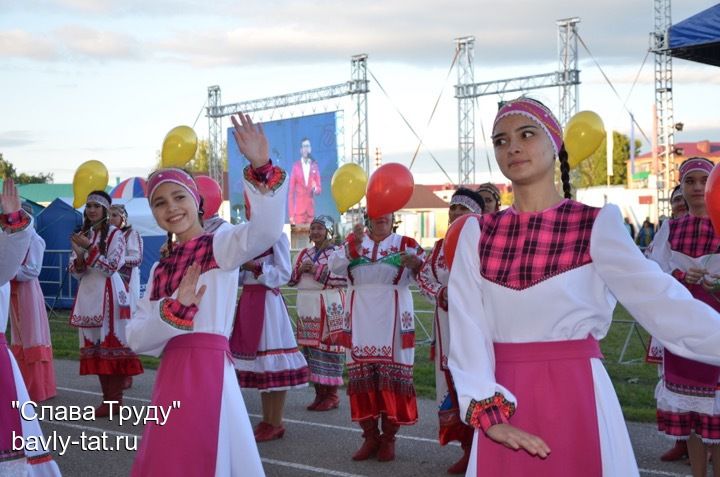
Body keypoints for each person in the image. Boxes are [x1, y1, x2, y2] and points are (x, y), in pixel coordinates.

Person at [446, 97, 720, 476]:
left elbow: (663, 303)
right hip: (503, 397)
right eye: (501, 141)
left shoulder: (597, 224)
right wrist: (490, 414)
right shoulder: (477, 232)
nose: (513, 147)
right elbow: (466, 328)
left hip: (579, 395)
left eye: (526, 134)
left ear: (555, 143)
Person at [125, 113, 286, 476]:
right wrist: (175, 309)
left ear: (197, 200)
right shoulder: (160, 268)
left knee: (209, 456)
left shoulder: (222, 244)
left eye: (178, 197)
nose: (171, 209)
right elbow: (136, 337)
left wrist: (261, 166)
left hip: (209, 371)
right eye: (160, 203)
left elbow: (265, 230)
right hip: (171, 374)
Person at [328, 212, 426, 462]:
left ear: (393, 217)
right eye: (376, 213)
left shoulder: (406, 244)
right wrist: (354, 243)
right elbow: (333, 266)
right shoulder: (354, 241)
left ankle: (389, 438)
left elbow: (427, 276)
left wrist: (416, 265)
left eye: (387, 213)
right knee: (363, 378)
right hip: (359, 317)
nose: (381, 217)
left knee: (391, 378)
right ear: (368, 217)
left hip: (393, 318)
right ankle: (370, 437)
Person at [647, 157, 720, 476]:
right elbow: (651, 270)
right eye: (690, 182)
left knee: (716, 417)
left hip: (715, 327)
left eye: (703, 181)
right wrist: (677, 275)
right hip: (683, 330)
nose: (697, 188)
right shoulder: (671, 227)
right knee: (690, 415)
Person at [417, 188, 484, 474]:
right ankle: (467, 450)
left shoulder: (486, 243)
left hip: (479, 331)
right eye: (452, 208)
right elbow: (424, 278)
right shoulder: (440, 247)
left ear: (477, 215)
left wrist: (461, 293)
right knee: (453, 390)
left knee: (479, 387)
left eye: (463, 208)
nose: (455, 213)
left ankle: (484, 452)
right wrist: (444, 294)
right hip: (446, 331)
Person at [0, 178, 62, 476]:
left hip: (25, 291)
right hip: (13, 292)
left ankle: (41, 386)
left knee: (32, 339)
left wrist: (13, 222)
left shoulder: (20, 236)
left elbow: (13, 266)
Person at [69, 190, 143, 417]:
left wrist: (89, 251)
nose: (91, 210)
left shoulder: (115, 235)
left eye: (96, 206)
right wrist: (80, 258)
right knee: (97, 349)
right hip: (89, 294)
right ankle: (108, 399)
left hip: (110, 295)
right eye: (88, 205)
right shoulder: (83, 234)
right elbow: (74, 270)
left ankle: (114, 401)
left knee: (112, 346)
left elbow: (111, 267)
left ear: (105, 210)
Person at [230, 232, 310, 442]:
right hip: (249, 300)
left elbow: (284, 273)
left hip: (267, 303)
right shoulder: (246, 236)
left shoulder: (277, 237)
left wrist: (255, 267)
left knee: (272, 362)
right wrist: (237, 266)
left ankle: (276, 421)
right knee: (263, 366)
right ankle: (268, 420)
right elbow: (238, 277)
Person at [288, 215, 347, 412]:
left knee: (328, 349)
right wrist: (299, 271)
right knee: (311, 351)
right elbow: (290, 279)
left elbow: (343, 279)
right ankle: (319, 394)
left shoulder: (337, 253)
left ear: (329, 231)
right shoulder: (304, 252)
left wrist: (316, 270)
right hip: (307, 307)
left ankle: (332, 395)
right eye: (313, 228)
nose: (315, 232)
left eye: (319, 228)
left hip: (328, 304)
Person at [9, 203, 57, 402]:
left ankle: (37, 387)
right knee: (18, 336)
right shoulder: (13, 241)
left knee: (32, 335)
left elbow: (33, 270)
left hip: (27, 291)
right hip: (14, 292)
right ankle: (21, 385)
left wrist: (9, 272)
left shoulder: (35, 240)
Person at [109, 204, 143, 390]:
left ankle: (128, 371)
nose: (111, 219)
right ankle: (114, 369)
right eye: (109, 216)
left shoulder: (131, 234)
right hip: (111, 285)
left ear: (123, 218)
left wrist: (116, 259)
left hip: (127, 285)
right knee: (113, 326)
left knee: (127, 326)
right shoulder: (107, 236)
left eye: (115, 215)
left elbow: (137, 258)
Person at [288, 137, 322, 225]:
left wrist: (315, 188)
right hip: (299, 212)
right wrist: (291, 215)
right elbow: (291, 192)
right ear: (301, 150)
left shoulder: (315, 166)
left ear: (310, 149)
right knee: (300, 238)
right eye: (304, 146)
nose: (306, 149)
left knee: (312, 238)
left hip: (310, 211)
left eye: (307, 146)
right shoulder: (295, 167)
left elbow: (319, 190)